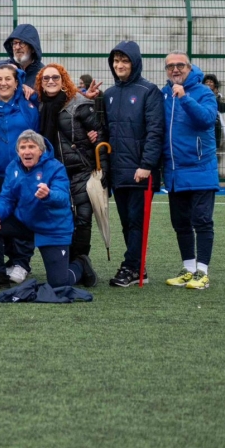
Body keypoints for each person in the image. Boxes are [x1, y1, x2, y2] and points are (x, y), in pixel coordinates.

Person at [89, 40, 164, 287]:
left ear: (135, 63)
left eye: (124, 61)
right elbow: (105, 132)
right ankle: (137, 268)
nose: (119, 65)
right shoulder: (108, 94)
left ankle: (132, 267)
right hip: (118, 173)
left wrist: (147, 165)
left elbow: (155, 131)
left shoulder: (149, 91)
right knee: (127, 222)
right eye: (116, 61)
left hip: (140, 172)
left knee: (136, 221)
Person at [0, 131, 93, 290]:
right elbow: (6, 198)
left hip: (52, 228)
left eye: (32, 147)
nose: (27, 151)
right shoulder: (13, 167)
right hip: (26, 223)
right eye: (23, 147)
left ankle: (80, 264)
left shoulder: (55, 167)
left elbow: (63, 197)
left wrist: (48, 195)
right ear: (18, 151)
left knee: (59, 284)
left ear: (41, 151)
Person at [161, 52, 219, 291]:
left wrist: (185, 98)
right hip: (174, 172)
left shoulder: (204, 92)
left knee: (202, 221)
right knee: (181, 223)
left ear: (190, 67)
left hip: (201, 169)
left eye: (180, 65)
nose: (175, 69)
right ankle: (188, 268)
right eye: (170, 66)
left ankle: (203, 272)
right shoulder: (163, 94)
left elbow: (207, 119)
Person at [34, 63, 99, 274]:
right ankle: (68, 262)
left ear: (64, 80)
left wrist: (102, 167)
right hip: (54, 171)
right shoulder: (40, 106)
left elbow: (100, 133)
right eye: (46, 78)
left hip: (79, 168)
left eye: (55, 77)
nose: (50, 81)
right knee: (61, 216)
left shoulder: (79, 102)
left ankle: (80, 261)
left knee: (82, 217)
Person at [0, 62, 38, 288]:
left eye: (8, 79)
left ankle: (21, 263)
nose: (3, 83)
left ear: (17, 83)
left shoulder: (29, 105)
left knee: (22, 217)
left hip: (23, 175)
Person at [0, 24, 45, 90]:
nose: (17, 47)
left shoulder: (42, 72)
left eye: (22, 43)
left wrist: (33, 94)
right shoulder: (2, 66)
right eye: (15, 43)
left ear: (32, 48)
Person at [201, 73, 225, 149]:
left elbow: (223, 109)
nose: (208, 84)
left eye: (211, 82)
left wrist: (214, 97)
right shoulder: (200, 95)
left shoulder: (219, 96)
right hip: (204, 121)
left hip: (215, 123)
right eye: (206, 82)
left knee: (215, 146)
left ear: (215, 84)